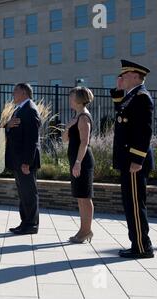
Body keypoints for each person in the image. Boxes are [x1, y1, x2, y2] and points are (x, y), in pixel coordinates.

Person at [110, 59, 155, 259]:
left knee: (136, 204)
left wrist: (137, 160)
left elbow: (143, 132)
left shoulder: (142, 97)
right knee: (130, 203)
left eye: (125, 75)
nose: (121, 77)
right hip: (128, 160)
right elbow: (121, 115)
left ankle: (142, 247)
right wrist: (119, 90)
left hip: (135, 162)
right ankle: (137, 243)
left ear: (136, 76)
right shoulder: (132, 96)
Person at [5, 83, 41, 235]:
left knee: (29, 193)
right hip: (18, 159)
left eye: (15, 91)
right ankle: (25, 222)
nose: (13, 94)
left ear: (24, 92)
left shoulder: (30, 110)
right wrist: (7, 126)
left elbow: (32, 139)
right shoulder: (20, 109)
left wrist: (27, 162)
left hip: (25, 161)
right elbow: (11, 132)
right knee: (23, 193)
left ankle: (31, 224)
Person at [62, 87, 95, 244]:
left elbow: (84, 142)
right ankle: (83, 230)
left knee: (85, 196)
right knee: (80, 197)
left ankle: (86, 231)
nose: (70, 99)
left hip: (82, 161)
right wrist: (68, 126)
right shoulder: (76, 117)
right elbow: (64, 139)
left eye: (72, 96)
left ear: (79, 99)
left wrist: (78, 163)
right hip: (77, 161)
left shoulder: (83, 117)